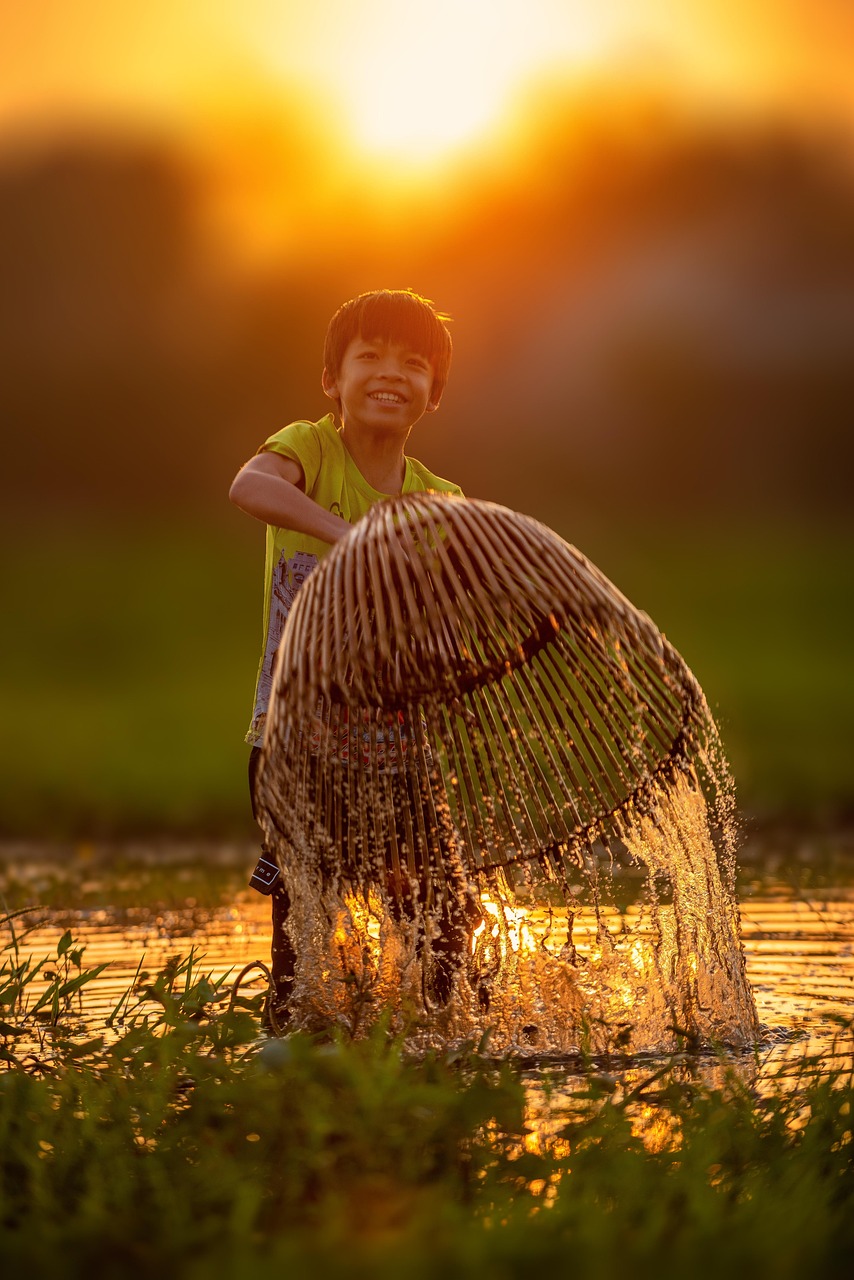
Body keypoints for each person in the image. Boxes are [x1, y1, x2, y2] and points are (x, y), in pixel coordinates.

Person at [229, 288, 482, 1026]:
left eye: (413, 364)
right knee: (304, 916)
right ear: (331, 380)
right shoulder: (310, 450)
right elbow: (248, 486)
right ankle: (292, 1042)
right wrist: (352, 539)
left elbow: (446, 618)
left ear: (434, 392)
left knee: (440, 915)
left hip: (400, 752)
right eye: (369, 356)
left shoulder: (440, 499)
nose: (390, 373)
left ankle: (442, 1036)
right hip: (296, 744)